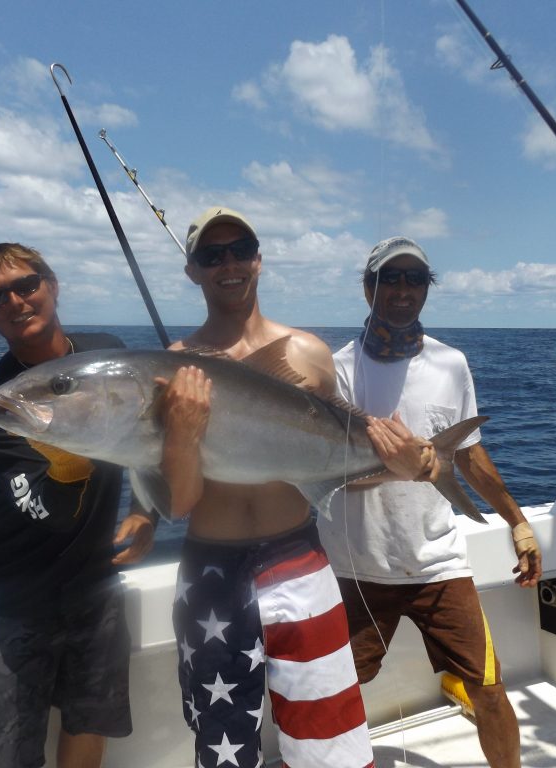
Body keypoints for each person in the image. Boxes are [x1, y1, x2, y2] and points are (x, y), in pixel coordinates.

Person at [155, 207, 435, 768]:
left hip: (300, 560)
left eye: (240, 249)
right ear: (193, 272)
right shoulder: (172, 367)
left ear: (259, 258)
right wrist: (182, 432)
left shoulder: (308, 354)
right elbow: (179, 503)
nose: (228, 264)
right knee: (223, 745)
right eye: (212, 256)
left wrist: (418, 464)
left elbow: (338, 462)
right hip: (212, 571)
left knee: (328, 742)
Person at [318, 236, 543, 768]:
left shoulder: (451, 364)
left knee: (487, 688)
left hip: (438, 565)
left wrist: (518, 524)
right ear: (367, 287)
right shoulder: (338, 369)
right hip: (355, 565)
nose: (402, 289)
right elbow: (328, 471)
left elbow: (467, 455)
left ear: (427, 288)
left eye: (414, 279)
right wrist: (410, 469)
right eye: (389, 278)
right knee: (334, 694)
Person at [0, 243, 157, 768]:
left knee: (88, 724)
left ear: (51, 285)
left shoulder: (108, 356)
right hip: (15, 605)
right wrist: (73, 459)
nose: (15, 301)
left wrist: (144, 511)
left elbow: (149, 442)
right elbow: (53, 512)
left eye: (26, 285)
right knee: (8, 757)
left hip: (95, 587)